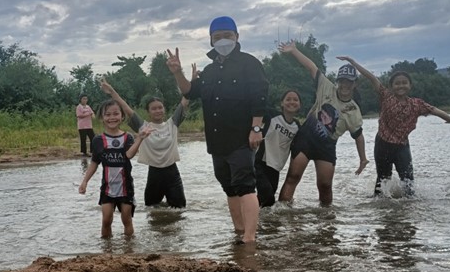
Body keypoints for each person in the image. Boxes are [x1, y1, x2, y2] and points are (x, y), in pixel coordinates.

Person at [166, 16, 268, 243]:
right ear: (211, 40)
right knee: (229, 187)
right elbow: (189, 92)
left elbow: (259, 97)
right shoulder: (209, 71)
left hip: (242, 137)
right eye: (218, 37)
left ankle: (250, 238)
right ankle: (239, 231)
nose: (223, 40)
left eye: (227, 35)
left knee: (245, 185)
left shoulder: (249, 64)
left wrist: (256, 128)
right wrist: (177, 72)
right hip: (216, 141)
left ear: (237, 37)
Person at [336, 55, 450, 196]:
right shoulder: (386, 97)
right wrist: (353, 62)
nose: (401, 86)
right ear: (391, 87)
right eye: (397, 83)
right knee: (382, 181)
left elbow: (436, 111)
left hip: (402, 146)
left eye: (404, 83)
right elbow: (372, 78)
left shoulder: (417, 104)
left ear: (410, 85)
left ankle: (407, 212)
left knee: (408, 182)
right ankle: (380, 208)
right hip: (383, 145)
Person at [277, 42, 368, 206]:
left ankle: (326, 221)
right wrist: (294, 51)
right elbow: (312, 67)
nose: (345, 85)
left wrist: (363, 159)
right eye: (342, 81)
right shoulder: (326, 87)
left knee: (325, 186)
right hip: (306, 138)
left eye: (349, 82)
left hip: (327, 146)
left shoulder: (354, 110)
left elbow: (358, 136)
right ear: (337, 81)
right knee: (293, 176)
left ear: (355, 84)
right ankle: (282, 211)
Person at [99, 78, 190, 208]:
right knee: (151, 209)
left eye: (160, 108)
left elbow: (184, 101)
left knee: (179, 210)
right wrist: (112, 91)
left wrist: (192, 81)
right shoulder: (143, 126)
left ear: (164, 109)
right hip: (154, 174)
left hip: (172, 173)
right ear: (148, 112)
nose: (158, 111)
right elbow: (126, 107)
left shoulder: (173, 123)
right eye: (154, 109)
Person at [78, 99, 151, 237]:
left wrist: (140, 139)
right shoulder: (98, 140)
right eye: (108, 114)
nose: (112, 118)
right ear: (102, 118)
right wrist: (85, 181)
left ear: (122, 116)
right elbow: (94, 163)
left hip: (126, 187)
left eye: (116, 114)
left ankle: (129, 249)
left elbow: (129, 154)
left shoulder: (127, 137)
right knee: (106, 220)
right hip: (107, 188)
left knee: (126, 220)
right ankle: (106, 250)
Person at [255, 90, 302, 207]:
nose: (292, 102)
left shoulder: (298, 127)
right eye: (288, 99)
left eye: (295, 100)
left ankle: (261, 223)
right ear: (282, 103)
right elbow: (256, 110)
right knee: (268, 196)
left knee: (267, 203)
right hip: (259, 162)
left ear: (300, 105)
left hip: (276, 168)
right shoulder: (272, 115)